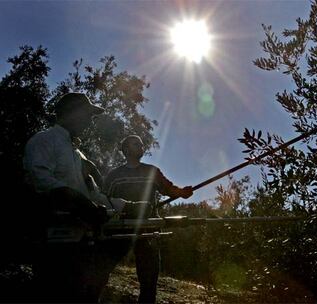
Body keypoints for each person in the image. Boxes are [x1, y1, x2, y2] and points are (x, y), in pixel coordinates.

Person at [23, 92, 130, 302]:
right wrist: (82, 204)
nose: (90, 121)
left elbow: (93, 193)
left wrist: (126, 206)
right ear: (71, 113)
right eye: (88, 115)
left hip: (82, 243)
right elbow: (41, 181)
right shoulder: (44, 140)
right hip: (52, 245)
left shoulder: (78, 155)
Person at [104, 134, 193, 304]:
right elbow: (103, 199)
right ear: (125, 149)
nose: (141, 146)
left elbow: (169, 189)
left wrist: (182, 192)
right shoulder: (113, 176)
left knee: (149, 282)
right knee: (102, 270)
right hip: (119, 230)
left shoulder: (152, 172)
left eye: (141, 144)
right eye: (135, 143)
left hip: (148, 230)